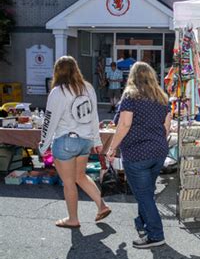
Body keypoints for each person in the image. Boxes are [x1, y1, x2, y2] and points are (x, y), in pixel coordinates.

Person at [39, 56, 111, 229]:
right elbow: (94, 117)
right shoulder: (87, 88)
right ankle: (102, 205)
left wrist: (43, 146)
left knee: (69, 182)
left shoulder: (58, 91)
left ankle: (73, 219)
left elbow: (50, 121)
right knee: (80, 176)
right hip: (85, 141)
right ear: (76, 69)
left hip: (65, 141)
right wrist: (96, 140)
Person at [106, 62, 171, 249]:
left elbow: (124, 125)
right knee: (147, 193)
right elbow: (166, 128)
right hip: (158, 152)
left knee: (144, 196)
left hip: (136, 154)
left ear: (132, 77)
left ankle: (156, 235)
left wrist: (112, 149)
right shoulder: (162, 98)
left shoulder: (130, 96)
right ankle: (142, 225)